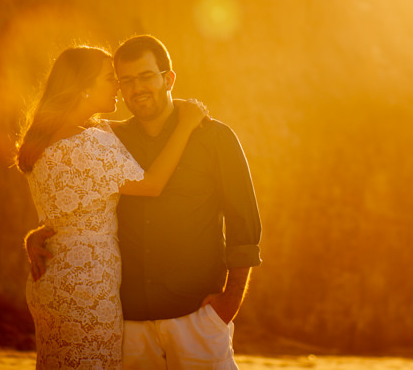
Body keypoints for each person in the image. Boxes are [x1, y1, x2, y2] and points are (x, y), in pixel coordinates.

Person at [27, 35, 262, 369]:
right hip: (126, 321)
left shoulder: (215, 138)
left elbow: (245, 227)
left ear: (168, 79)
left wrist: (229, 304)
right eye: (125, 80)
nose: (136, 88)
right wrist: (42, 232)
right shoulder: (108, 139)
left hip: (196, 316)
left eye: (146, 76)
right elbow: (72, 184)